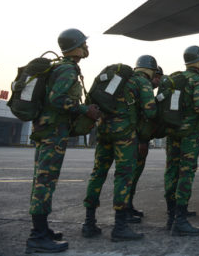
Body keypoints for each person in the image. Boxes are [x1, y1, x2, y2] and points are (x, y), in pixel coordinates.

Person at [26, 28, 101, 254]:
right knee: (45, 181)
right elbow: (57, 99)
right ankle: (38, 237)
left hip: (47, 129)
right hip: (52, 133)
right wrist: (84, 109)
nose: (87, 47)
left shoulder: (61, 67)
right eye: (84, 43)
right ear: (76, 46)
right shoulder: (67, 69)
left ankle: (41, 230)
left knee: (42, 179)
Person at [82, 55, 157, 242]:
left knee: (98, 173)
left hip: (104, 131)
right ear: (151, 70)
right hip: (124, 135)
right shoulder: (142, 82)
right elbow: (151, 111)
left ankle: (89, 223)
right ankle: (120, 227)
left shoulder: (119, 79)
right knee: (124, 176)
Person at [164, 46, 199, 236]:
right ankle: (180, 220)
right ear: (198, 61)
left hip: (173, 130)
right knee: (185, 173)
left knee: (171, 170)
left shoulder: (174, 78)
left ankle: (171, 217)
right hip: (189, 134)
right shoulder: (197, 79)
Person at [128, 65, 164, 220]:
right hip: (136, 139)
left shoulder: (131, 83)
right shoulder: (145, 86)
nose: (158, 81)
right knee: (131, 175)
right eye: (158, 77)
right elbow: (149, 113)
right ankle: (125, 210)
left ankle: (127, 206)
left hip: (122, 134)